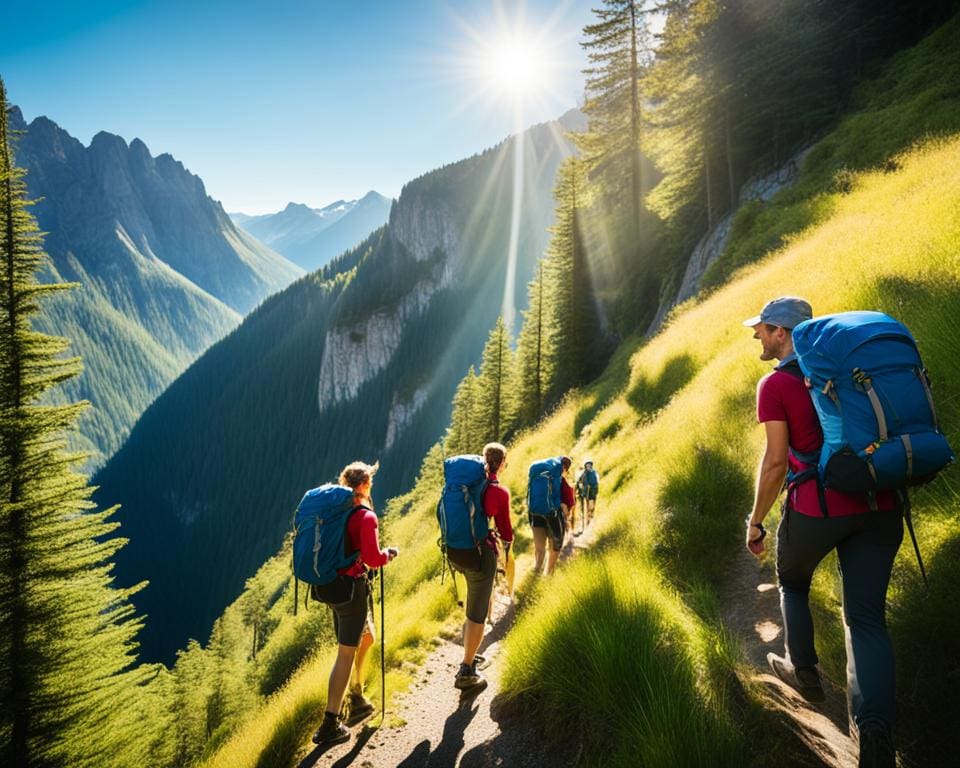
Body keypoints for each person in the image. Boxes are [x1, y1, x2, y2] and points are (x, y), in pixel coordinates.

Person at [743, 297, 902, 768]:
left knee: (792, 578)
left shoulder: (775, 384)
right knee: (866, 618)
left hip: (819, 505)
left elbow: (775, 462)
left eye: (764, 328)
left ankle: (804, 671)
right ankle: (874, 731)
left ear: (782, 333)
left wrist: (756, 521)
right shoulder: (851, 368)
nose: (757, 335)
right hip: (881, 501)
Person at [312, 461, 399, 746]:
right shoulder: (364, 516)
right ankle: (330, 721)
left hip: (330, 587)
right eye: (370, 482)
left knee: (367, 637)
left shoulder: (335, 511)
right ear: (364, 485)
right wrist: (388, 554)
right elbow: (373, 558)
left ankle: (356, 691)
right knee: (345, 653)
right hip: (351, 591)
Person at [446, 442, 513, 690]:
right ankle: (466, 669)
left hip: (454, 553)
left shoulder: (460, 486)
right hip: (479, 556)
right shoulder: (497, 491)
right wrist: (505, 543)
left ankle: (470, 653)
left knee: (472, 605)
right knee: (478, 614)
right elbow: (506, 530)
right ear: (502, 462)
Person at [576, 459, 599, 530]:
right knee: (587, 506)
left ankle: (590, 518)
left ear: (591, 466)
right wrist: (580, 487)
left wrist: (594, 488)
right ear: (585, 466)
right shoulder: (584, 474)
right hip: (586, 493)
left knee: (591, 506)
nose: (588, 466)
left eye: (589, 465)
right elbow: (579, 482)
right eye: (587, 465)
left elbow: (597, 483)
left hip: (592, 492)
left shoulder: (594, 473)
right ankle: (587, 520)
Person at [560, 456, 576, 543]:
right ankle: (569, 534)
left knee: (566, 519)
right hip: (566, 501)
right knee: (567, 518)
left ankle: (568, 534)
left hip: (563, 500)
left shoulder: (557, 475)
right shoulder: (564, 476)